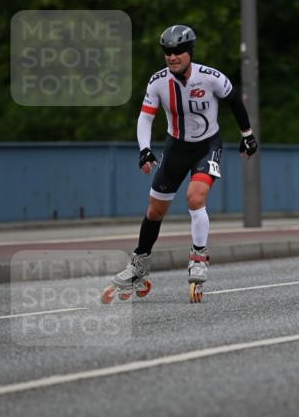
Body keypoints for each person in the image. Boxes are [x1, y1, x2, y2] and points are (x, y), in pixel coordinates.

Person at [102, 24, 257, 303]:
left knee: (195, 197)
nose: (172, 57)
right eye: (167, 52)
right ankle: (140, 263)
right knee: (154, 210)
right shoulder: (158, 82)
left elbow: (234, 101)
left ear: (189, 52)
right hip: (176, 148)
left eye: (177, 52)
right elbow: (145, 117)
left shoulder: (210, 77)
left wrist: (247, 135)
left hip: (207, 145)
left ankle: (198, 257)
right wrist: (145, 150)